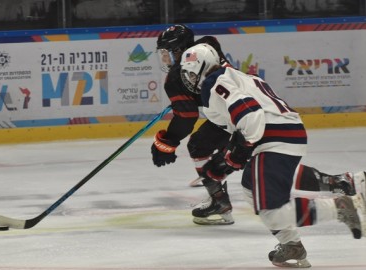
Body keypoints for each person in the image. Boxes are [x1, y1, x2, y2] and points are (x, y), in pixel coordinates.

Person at [151, 24, 364, 226]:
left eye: (168, 52)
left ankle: (338, 186)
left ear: (181, 50)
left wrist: (167, 142)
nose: (165, 59)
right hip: (246, 111)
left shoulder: (177, 77)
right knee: (215, 150)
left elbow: (186, 117)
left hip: (242, 116)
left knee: (260, 167)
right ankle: (342, 183)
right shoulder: (209, 47)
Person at [179, 43, 366, 267]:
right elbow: (242, 124)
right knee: (251, 189)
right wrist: (230, 159)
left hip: (273, 138)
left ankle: (341, 207)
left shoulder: (214, 82)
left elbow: (250, 115)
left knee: (270, 209)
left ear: (202, 67)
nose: (188, 78)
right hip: (282, 133)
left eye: (190, 72)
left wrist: (236, 155)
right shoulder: (233, 76)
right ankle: (292, 243)